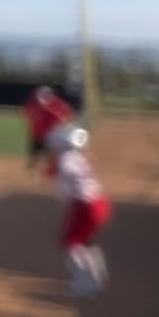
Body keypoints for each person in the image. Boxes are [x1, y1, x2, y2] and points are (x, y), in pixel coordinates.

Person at [50, 125, 111, 298]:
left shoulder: (65, 160)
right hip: (99, 201)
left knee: (72, 245)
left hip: (87, 206)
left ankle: (88, 285)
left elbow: (64, 194)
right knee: (85, 243)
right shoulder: (77, 155)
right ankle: (97, 276)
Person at [24, 86, 75, 172]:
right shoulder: (33, 104)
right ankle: (33, 165)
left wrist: (62, 120)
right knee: (34, 152)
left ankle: (51, 167)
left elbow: (67, 112)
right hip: (37, 134)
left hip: (49, 135)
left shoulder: (55, 103)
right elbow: (28, 113)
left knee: (50, 152)